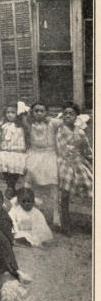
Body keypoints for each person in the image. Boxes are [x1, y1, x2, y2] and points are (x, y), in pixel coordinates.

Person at [22, 102, 63, 228]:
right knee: (29, 183)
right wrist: (27, 114)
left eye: (42, 111)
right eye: (36, 111)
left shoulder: (52, 123)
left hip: (49, 155)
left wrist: (51, 118)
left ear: (46, 112)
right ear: (32, 112)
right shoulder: (30, 123)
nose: (39, 113)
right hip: (34, 154)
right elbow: (21, 116)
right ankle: (29, 213)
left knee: (53, 184)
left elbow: (66, 121)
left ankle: (56, 215)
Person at [56, 101, 93, 236]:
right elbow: (58, 148)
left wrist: (90, 159)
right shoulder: (59, 130)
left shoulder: (80, 132)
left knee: (90, 189)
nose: (68, 116)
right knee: (64, 194)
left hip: (78, 163)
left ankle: (93, 222)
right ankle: (65, 225)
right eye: (65, 113)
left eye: (71, 114)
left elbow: (86, 150)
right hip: (64, 163)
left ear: (76, 116)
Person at [0, 103, 28, 199]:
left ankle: (11, 187)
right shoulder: (2, 125)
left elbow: (27, 139)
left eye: (13, 112)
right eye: (8, 112)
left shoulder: (21, 126)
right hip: (5, 151)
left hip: (18, 152)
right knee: (5, 164)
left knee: (15, 167)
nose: (10, 115)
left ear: (17, 114)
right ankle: (10, 187)